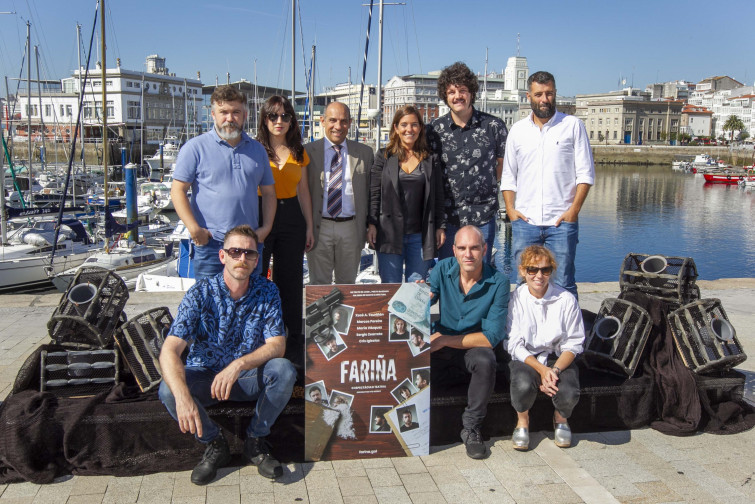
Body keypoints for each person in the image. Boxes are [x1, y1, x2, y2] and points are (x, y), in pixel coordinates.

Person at [158, 225, 296, 484]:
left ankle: (255, 439)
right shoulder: (200, 293)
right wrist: (183, 397)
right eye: (235, 252)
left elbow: (277, 345)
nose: (242, 259)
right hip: (207, 378)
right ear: (222, 256)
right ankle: (214, 443)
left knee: (283, 370)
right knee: (168, 390)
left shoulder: (267, 291)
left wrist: (238, 365)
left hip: (247, 377)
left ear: (257, 260)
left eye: (249, 254)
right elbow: (169, 350)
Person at [501, 71, 595, 298]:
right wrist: (511, 211)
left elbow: (585, 174)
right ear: (529, 96)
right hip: (525, 223)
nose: (545, 99)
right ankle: (526, 332)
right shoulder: (518, 131)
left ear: (555, 94)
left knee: (563, 283)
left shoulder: (572, 126)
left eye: (550, 93)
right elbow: (508, 177)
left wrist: (573, 212)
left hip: (561, 223)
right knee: (524, 283)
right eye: (539, 94)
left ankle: (567, 333)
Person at [171, 85, 276, 280]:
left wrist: (266, 228)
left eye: (236, 112)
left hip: (249, 245)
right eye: (224, 112)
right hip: (211, 245)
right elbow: (178, 191)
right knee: (209, 305)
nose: (230, 118)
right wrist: (194, 229)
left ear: (244, 115)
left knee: (249, 305)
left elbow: (269, 193)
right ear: (213, 114)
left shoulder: (258, 150)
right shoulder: (194, 148)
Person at [429, 225, 509, 459]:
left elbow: (490, 337)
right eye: (462, 248)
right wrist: (417, 297)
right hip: (443, 348)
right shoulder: (442, 269)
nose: (468, 254)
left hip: (472, 346)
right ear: (453, 250)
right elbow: (424, 302)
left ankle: (471, 428)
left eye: (474, 248)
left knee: (486, 359)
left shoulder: (500, 282)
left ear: (484, 250)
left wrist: (444, 340)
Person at [427, 62, 508, 263]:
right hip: (448, 219)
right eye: (451, 92)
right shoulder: (434, 130)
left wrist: (483, 184)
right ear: (445, 96)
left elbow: (503, 164)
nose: (457, 96)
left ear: (472, 92)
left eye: (462, 90)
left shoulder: (493, 126)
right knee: (449, 274)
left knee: (481, 274)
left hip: (483, 216)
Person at [506, 244, 584, 450]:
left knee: (569, 390)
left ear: (551, 271)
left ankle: (561, 418)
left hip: (556, 356)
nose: (538, 275)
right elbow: (514, 343)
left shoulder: (566, 299)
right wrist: (542, 370)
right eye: (532, 269)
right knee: (522, 384)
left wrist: (554, 370)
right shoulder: (515, 299)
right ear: (523, 271)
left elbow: (574, 343)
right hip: (527, 356)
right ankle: (522, 421)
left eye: (545, 270)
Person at [256, 95, 314, 337]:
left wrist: (309, 227)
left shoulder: (299, 152)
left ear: (291, 120)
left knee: (290, 281)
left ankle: (291, 337)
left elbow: (304, 192)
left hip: (291, 216)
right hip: (259, 213)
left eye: (285, 116)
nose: (279, 121)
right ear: (265, 119)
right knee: (257, 276)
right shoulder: (254, 150)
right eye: (273, 116)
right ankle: (257, 334)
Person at [367, 105, 445, 282]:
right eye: (404, 124)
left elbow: (438, 197)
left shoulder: (430, 159)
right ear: (396, 127)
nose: (409, 129)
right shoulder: (383, 157)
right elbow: (374, 194)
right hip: (389, 233)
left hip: (421, 236)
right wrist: (371, 224)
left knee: (416, 294)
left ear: (420, 128)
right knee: (391, 289)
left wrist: (440, 226)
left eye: (414, 124)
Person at [305, 102, 375, 284]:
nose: (338, 126)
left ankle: (342, 315)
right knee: (319, 285)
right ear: (322, 121)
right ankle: (321, 315)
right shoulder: (307, 152)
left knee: (347, 286)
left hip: (351, 228)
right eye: (333, 120)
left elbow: (372, 193)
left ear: (350, 123)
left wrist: (370, 225)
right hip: (320, 227)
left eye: (343, 121)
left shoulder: (365, 153)